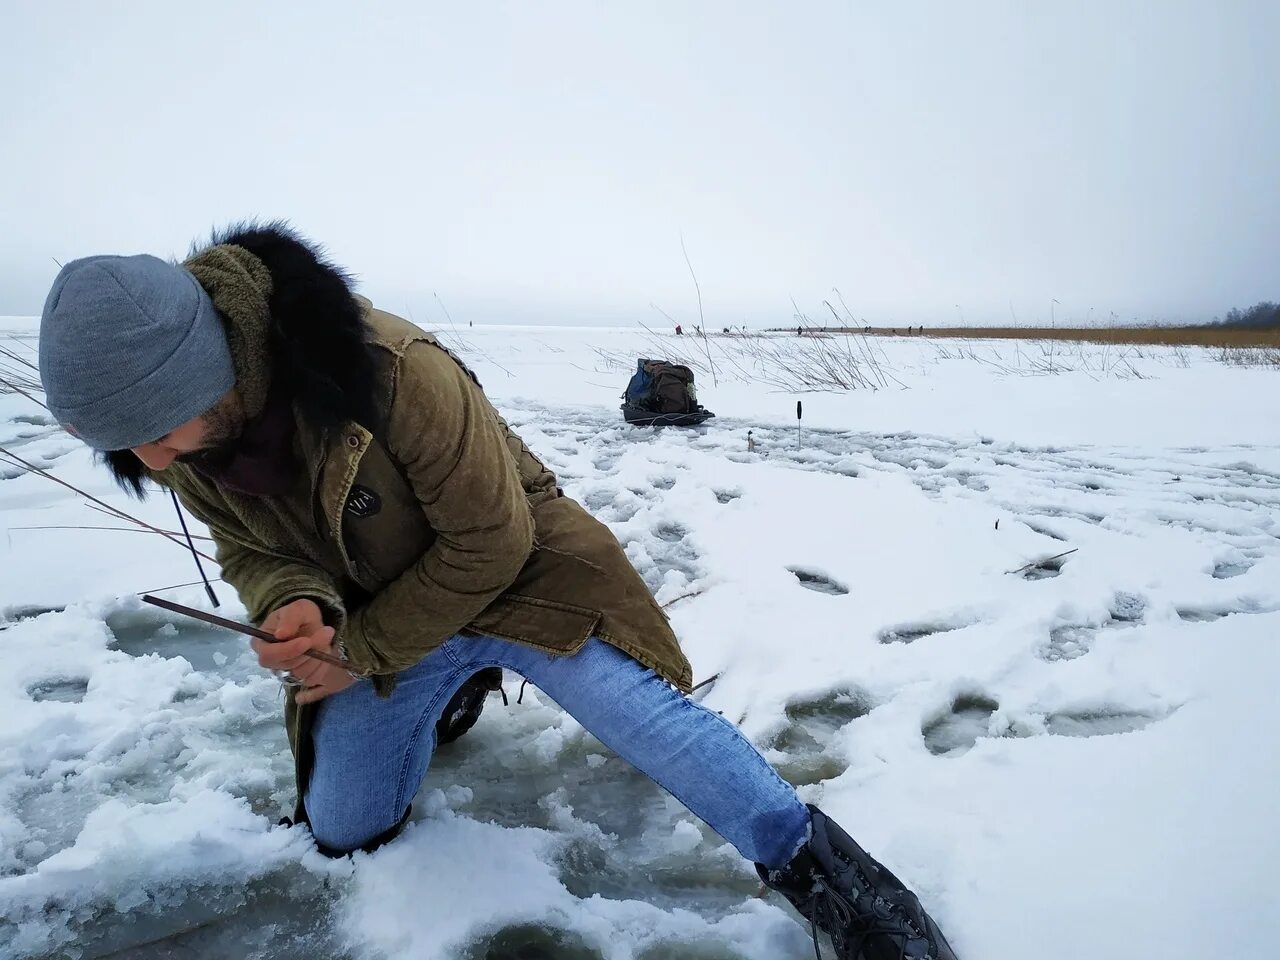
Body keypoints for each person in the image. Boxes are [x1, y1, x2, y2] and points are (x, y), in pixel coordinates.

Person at [37, 223, 958, 960]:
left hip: (525, 578)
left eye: (158, 432)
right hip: (392, 616)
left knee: (648, 722)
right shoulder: (181, 441)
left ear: (216, 376)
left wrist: (357, 651)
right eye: (126, 447)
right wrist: (296, 605)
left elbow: (490, 543)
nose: (150, 462)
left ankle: (821, 869)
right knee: (342, 831)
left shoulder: (396, 369)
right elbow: (250, 550)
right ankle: (447, 687)